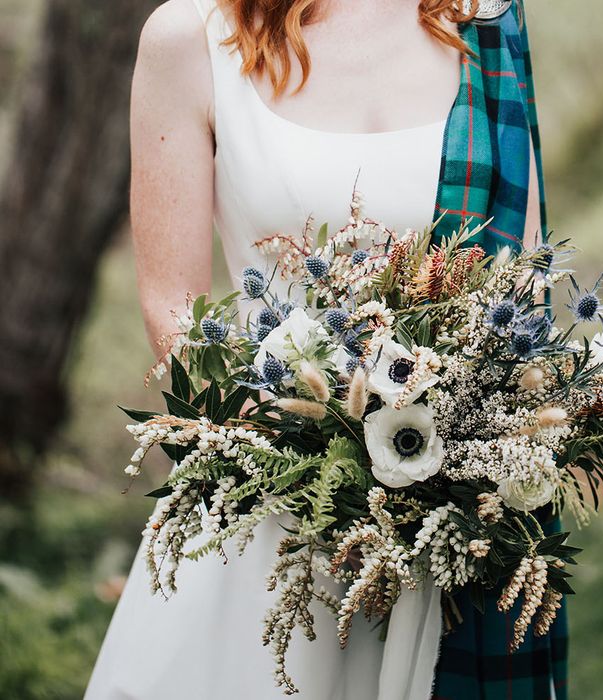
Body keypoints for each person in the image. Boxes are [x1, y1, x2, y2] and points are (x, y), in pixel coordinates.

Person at [84, 1, 567, 698]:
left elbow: (519, 287)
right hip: (270, 515)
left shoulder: (482, 18)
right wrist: (299, 455)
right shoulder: (190, 37)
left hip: (448, 518)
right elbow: (173, 309)